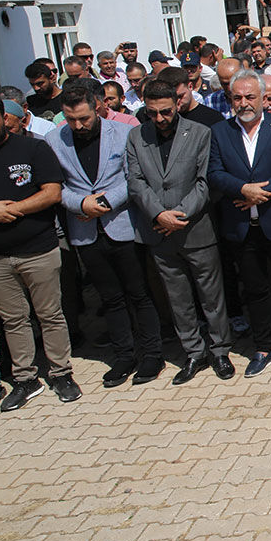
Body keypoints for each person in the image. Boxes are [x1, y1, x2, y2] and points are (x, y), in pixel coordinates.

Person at [49, 86, 163, 389]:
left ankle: (152, 353)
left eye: (84, 118)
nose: (78, 126)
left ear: (97, 108)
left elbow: (134, 177)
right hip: (85, 231)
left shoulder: (123, 133)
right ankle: (124, 355)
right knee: (110, 297)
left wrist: (104, 202)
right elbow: (55, 185)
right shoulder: (54, 139)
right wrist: (80, 204)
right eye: (72, 120)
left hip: (122, 225)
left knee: (139, 293)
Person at [125, 80, 235, 385]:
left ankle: (221, 350)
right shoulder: (136, 136)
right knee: (177, 297)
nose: (159, 119)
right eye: (152, 113)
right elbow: (135, 182)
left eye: (165, 112)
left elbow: (205, 182)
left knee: (211, 295)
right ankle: (194, 352)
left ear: (177, 105)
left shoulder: (200, 133)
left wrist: (178, 215)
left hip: (195, 229)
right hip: (159, 230)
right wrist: (159, 214)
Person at [206, 70, 271, 378]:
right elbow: (214, 172)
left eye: (250, 97)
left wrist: (260, 192)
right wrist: (241, 190)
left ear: (264, 98)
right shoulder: (220, 132)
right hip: (241, 225)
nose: (244, 103)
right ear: (229, 99)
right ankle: (263, 346)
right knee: (255, 289)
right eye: (237, 97)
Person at [0, 98, 82, 411]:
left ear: (4, 117)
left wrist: (13, 210)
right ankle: (25, 379)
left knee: (49, 314)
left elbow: (52, 192)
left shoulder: (33, 149)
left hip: (38, 249)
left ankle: (61, 373)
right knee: (13, 320)